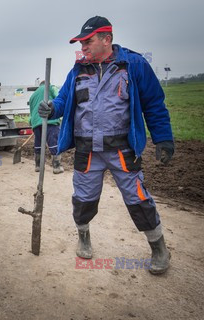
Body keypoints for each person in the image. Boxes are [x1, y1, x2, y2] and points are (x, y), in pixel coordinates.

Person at [39, 16, 174, 274]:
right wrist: (51, 107)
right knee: (83, 199)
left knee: (138, 198)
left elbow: (154, 104)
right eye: (81, 42)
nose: (83, 47)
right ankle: (84, 235)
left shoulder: (133, 65)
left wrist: (163, 138)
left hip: (122, 149)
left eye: (87, 41)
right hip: (87, 151)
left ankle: (158, 247)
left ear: (106, 39)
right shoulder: (78, 70)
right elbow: (64, 100)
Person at [28, 81, 64, 173]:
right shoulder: (50, 87)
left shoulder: (33, 95)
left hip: (36, 122)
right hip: (49, 120)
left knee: (38, 144)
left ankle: (38, 166)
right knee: (54, 142)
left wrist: (32, 123)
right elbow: (59, 98)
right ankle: (56, 167)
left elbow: (31, 112)